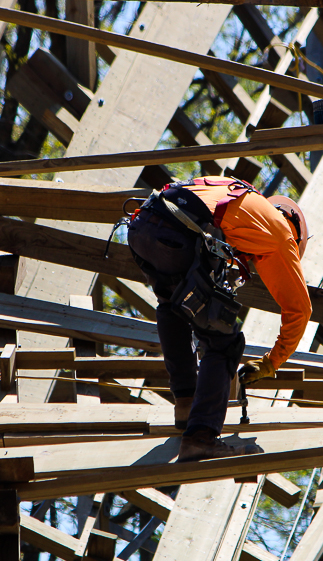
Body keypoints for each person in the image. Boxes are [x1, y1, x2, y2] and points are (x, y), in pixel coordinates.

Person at [126, 175, 312, 462]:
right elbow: (300, 310)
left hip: (142, 225)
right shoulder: (280, 234)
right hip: (177, 234)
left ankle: (186, 406)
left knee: (172, 306)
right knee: (225, 342)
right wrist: (271, 361)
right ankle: (201, 437)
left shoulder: (236, 194)